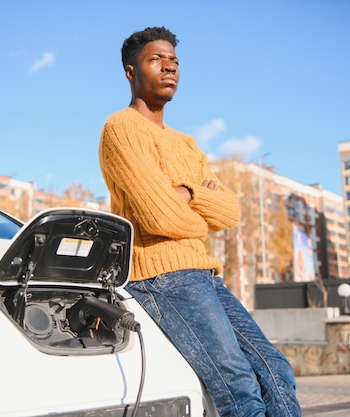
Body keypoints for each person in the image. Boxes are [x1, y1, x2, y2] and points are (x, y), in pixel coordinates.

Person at [99, 26, 301, 417]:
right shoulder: (120, 128)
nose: (169, 66)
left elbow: (230, 212)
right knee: (238, 384)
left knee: (276, 370)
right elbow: (159, 217)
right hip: (161, 277)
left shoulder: (187, 143)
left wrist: (189, 194)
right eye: (156, 59)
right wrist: (199, 213)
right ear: (130, 71)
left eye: (174, 60)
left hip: (203, 275)